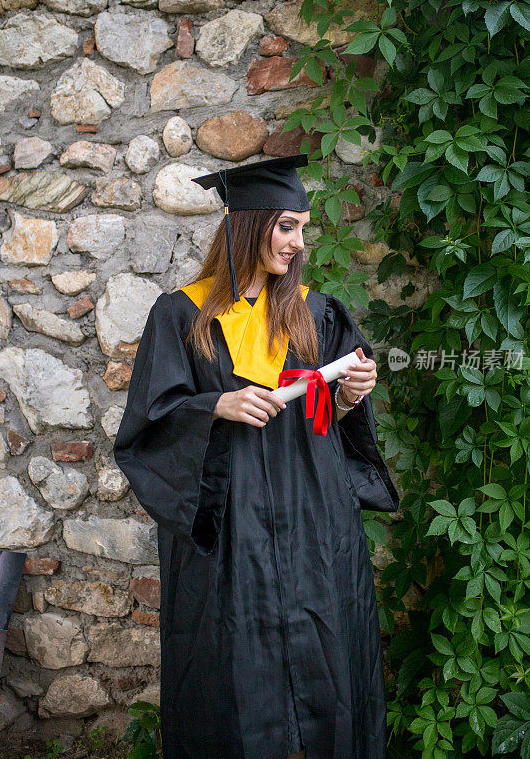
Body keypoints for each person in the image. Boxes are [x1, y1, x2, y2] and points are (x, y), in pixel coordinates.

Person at [113, 153, 399, 759]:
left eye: (303, 227)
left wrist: (349, 398)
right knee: (236, 678)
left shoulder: (317, 314)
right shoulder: (183, 316)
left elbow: (334, 428)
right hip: (230, 527)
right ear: (246, 226)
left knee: (325, 677)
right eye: (286, 226)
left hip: (314, 522)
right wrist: (215, 406)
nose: (299, 242)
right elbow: (147, 429)